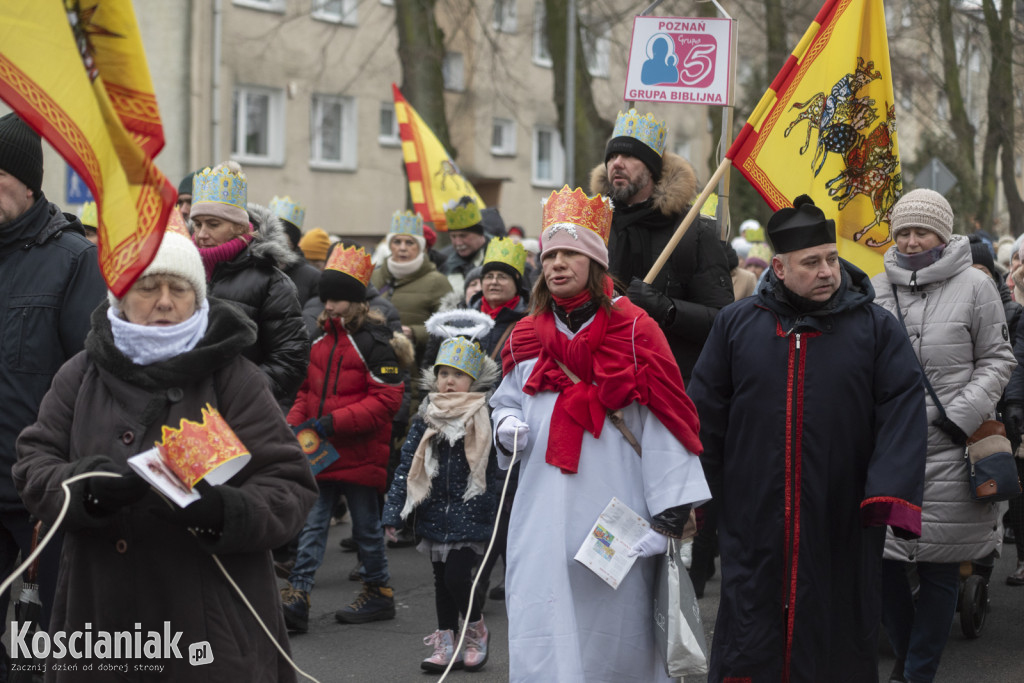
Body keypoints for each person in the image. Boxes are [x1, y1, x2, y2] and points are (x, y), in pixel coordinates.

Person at [13, 226, 318, 681]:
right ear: (119, 297)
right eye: (148, 287)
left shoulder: (234, 377)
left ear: (198, 298)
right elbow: (33, 462)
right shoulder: (80, 373)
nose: (164, 301)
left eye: (179, 288)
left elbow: (289, 484)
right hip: (102, 620)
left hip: (209, 625)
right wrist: (82, 489)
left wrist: (223, 511)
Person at [687, 195, 928, 682]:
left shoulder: (875, 328)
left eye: (832, 259)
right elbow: (704, 416)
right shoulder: (736, 325)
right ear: (778, 266)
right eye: (811, 262)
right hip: (754, 515)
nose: (827, 272)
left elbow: (903, 406)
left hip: (841, 515)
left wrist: (887, 492)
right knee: (751, 631)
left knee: (838, 632)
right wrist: (691, 495)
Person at [489, 186, 710, 681]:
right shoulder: (525, 335)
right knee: (542, 621)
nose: (558, 264)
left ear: (595, 262)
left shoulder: (637, 332)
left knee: (614, 638)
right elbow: (506, 400)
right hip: (540, 513)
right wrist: (506, 425)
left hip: (616, 517)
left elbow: (667, 421)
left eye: (571, 253)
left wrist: (667, 518)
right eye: (550, 255)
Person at [871, 189, 1015, 683]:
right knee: (886, 566)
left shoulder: (976, 287)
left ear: (944, 233)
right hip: (889, 449)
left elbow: (998, 360)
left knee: (938, 568)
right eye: (903, 232)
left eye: (922, 231)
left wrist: (958, 416)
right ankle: (909, 657)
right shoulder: (875, 288)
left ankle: (918, 672)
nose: (911, 241)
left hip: (952, 448)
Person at [0, 112, 107, 678]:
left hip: (41, 492)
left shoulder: (73, 259)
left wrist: (71, 476)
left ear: (29, 183)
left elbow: (91, 377)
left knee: (48, 645)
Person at [282, 245, 409, 632]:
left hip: (359, 452)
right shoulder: (319, 340)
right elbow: (305, 391)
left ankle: (378, 592)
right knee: (313, 523)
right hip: (321, 452)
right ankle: (298, 595)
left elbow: (387, 400)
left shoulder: (375, 342)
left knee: (366, 527)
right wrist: (295, 425)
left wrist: (331, 423)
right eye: (326, 299)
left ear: (355, 302)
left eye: (337, 298)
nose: (330, 306)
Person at [382, 336, 500, 673]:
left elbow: (495, 470)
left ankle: (476, 629)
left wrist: (493, 507)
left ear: (473, 381)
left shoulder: (485, 416)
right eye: (443, 373)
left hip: (471, 511)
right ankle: (446, 641)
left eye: (458, 374)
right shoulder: (426, 417)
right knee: (441, 581)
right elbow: (407, 468)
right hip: (434, 513)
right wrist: (394, 513)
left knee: (457, 577)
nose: (449, 381)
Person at [590, 108, 733, 383]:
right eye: (611, 157)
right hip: (603, 378)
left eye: (629, 156)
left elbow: (723, 320)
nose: (617, 163)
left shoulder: (691, 230)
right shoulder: (593, 225)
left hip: (670, 382)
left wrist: (667, 309)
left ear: (652, 170)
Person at [189, 162, 308, 404]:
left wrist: (240, 396)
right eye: (198, 223)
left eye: (213, 224)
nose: (201, 233)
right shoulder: (181, 274)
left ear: (239, 227)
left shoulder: (272, 283)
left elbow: (290, 360)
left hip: (240, 416)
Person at [371, 210, 453, 364]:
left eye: (409, 242)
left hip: (415, 368)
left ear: (421, 247)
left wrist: (416, 333)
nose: (402, 248)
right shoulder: (374, 276)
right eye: (397, 242)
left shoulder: (437, 281)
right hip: (375, 362)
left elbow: (449, 326)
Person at [269, 195, 322, 305]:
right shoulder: (257, 270)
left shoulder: (313, 278)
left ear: (293, 245)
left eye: (283, 243)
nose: (277, 249)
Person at [442, 196, 491, 293]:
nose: (458, 242)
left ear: (480, 234)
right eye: (453, 236)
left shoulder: (499, 257)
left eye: (463, 236)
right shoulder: (446, 264)